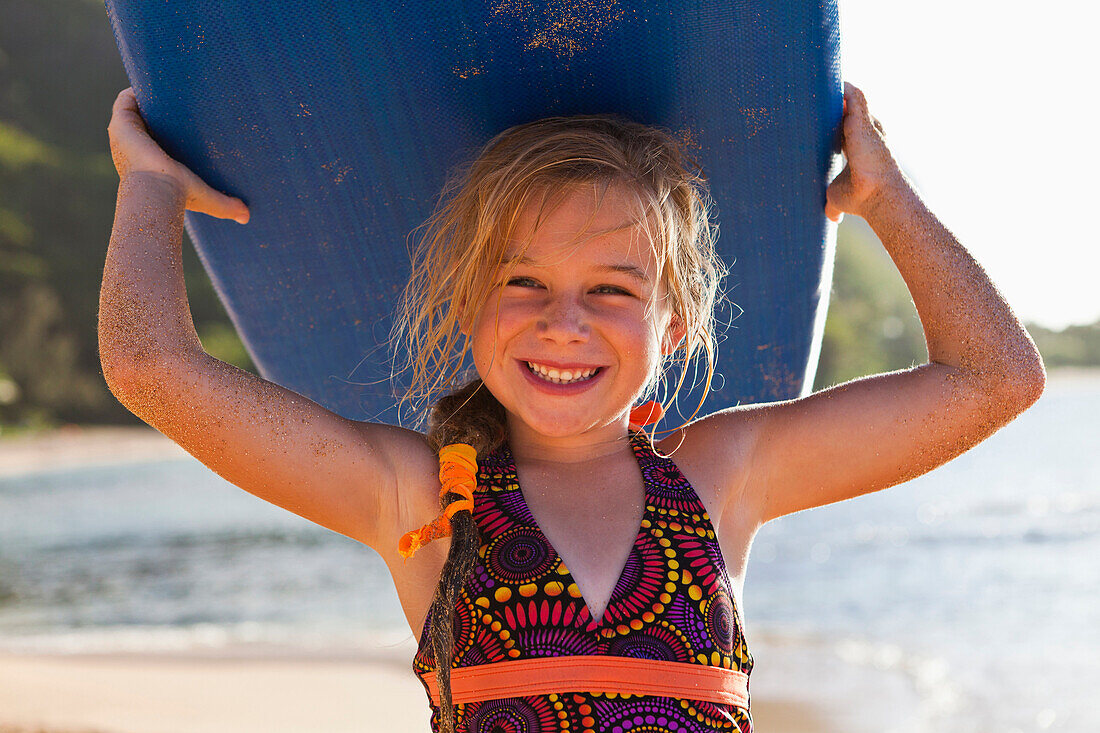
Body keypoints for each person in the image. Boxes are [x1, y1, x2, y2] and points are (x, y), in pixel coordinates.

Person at [99, 81, 1045, 732]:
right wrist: (150, 189)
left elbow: (996, 378)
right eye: (522, 281)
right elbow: (151, 369)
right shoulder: (414, 495)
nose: (564, 323)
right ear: (468, 305)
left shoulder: (722, 475)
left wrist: (884, 197)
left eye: (612, 290)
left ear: (674, 327)